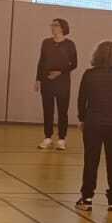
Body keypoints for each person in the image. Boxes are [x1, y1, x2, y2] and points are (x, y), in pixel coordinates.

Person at [76, 40, 112, 212]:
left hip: (93, 123)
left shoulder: (89, 74)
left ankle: (87, 198)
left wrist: (82, 118)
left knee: (91, 161)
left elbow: (82, 99)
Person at [35, 17, 77, 150]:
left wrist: (60, 72)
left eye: (56, 25)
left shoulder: (70, 44)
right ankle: (47, 137)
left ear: (62, 28)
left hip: (62, 82)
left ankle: (61, 139)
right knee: (47, 110)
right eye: (52, 25)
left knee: (62, 111)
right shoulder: (46, 42)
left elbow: (74, 64)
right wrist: (38, 79)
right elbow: (41, 61)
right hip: (47, 81)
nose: (52, 27)